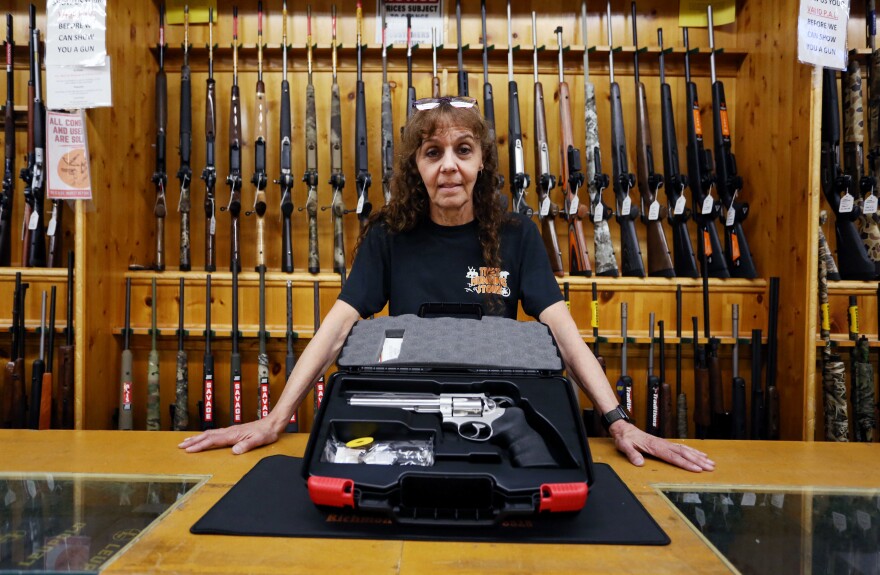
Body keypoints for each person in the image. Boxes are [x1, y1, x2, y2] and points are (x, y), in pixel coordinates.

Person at [179, 96, 714, 473]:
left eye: (463, 150)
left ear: (483, 161)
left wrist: (619, 422)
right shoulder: (389, 233)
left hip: (500, 415)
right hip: (410, 418)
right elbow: (338, 330)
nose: (449, 166)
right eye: (433, 153)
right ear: (416, 166)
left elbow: (564, 336)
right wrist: (276, 419)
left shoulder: (517, 234)